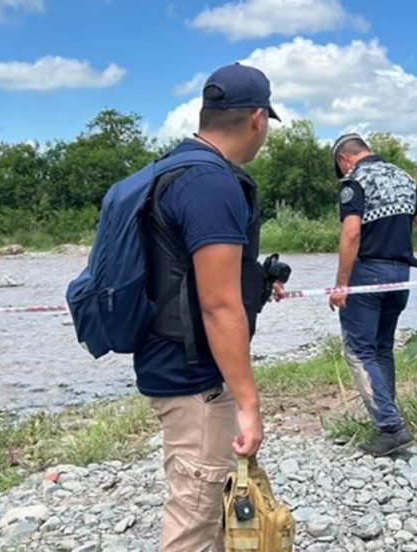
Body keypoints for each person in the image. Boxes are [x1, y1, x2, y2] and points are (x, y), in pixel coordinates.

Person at [136, 63, 282, 552]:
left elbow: (187, 272)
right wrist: (249, 404)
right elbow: (218, 306)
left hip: (167, 358)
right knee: (194, 518)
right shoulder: (211, 184)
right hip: (194, 377)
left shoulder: (173, 167)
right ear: (258, 119)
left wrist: (256, 284)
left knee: (210, 501)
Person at [328, 133, 417, 457]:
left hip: (366, 274)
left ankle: (391, 428)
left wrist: (342, 284)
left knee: (359, 351)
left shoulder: (355, 181)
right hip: (400, 276)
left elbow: (351, 232)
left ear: (344, 159)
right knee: (381, 349)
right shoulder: (405, 177)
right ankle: (389, 421)